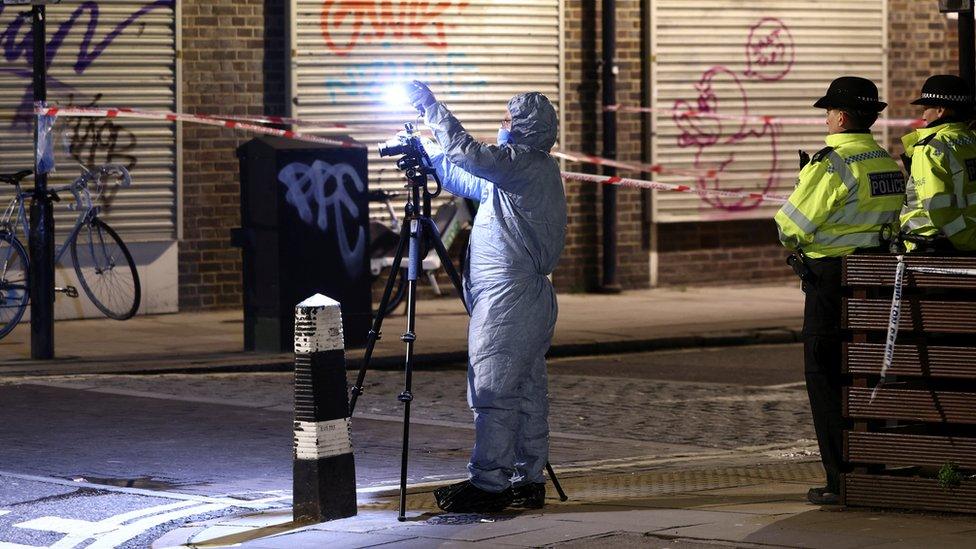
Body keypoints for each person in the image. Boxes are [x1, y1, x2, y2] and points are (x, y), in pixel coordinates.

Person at [405, 81, 567, 512]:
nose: (501, 125)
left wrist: (431, 108)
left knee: (492, 388)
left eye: (508, 120)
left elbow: (470, 154)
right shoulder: (521, 174)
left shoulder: (525, 164)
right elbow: (465, 174)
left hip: (509, 298)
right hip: (523, 298)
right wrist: (429, 153)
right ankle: (526, 480)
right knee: (526, 392)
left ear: (526, 128)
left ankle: (489, 484)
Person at [774, 76, 905, 505]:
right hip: (877, 280)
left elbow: (790, 226)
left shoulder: (831, 163)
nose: (826, 118)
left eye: (829, 111)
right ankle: (876, 469)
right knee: (866, 378)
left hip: (832, 283)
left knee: (826, 379)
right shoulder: (884, 160)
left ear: (842, 116)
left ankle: (840, 479)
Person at [900, 74, 976, 252]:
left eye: (925, 107)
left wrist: (966, 241)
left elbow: (938, 208)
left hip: (937, 246)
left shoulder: (931, 148)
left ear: (940, 110)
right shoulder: (971, 140)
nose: (923, 114)